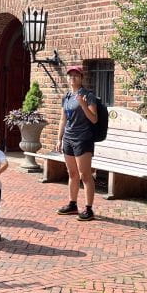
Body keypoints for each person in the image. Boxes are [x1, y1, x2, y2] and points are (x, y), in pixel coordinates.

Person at [55, 65, 98, 221]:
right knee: (72, 173)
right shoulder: (66, 97)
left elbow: (94, 119)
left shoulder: (88, 96)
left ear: (81, 78)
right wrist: (59, 138)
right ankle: (72, 204)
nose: (72, 78)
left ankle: (88, 209)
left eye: (76, 75)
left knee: (85, 175)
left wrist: (83, 104)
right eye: (70, 75)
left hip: (83, 138)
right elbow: (63, 119)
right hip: (68, 138)